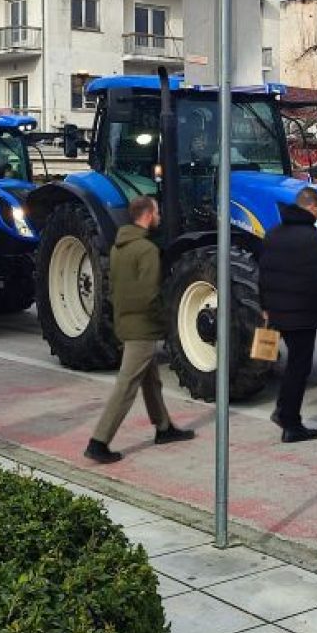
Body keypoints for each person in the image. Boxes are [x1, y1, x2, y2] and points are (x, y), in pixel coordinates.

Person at [84, 196, 194, 463]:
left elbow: (114, 288)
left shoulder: (119, 247)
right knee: (127, 385)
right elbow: (150, 295)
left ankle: (164, 427)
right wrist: (166, 322)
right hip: (142, 326)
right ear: (147, 215)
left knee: (150, 380)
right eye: (157, 212)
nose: (159, 217)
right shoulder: (146, 250)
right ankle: (99, 441)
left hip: (125, 322)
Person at [259, 186, 317, 443]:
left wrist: (265, 305)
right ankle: (290, 421)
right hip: (303, 314)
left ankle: (283, 410)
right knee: (299, 367)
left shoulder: (273, 234)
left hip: (278, 312)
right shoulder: (312, 238)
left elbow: (263, 273)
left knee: (293, 365)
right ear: (311, 207)